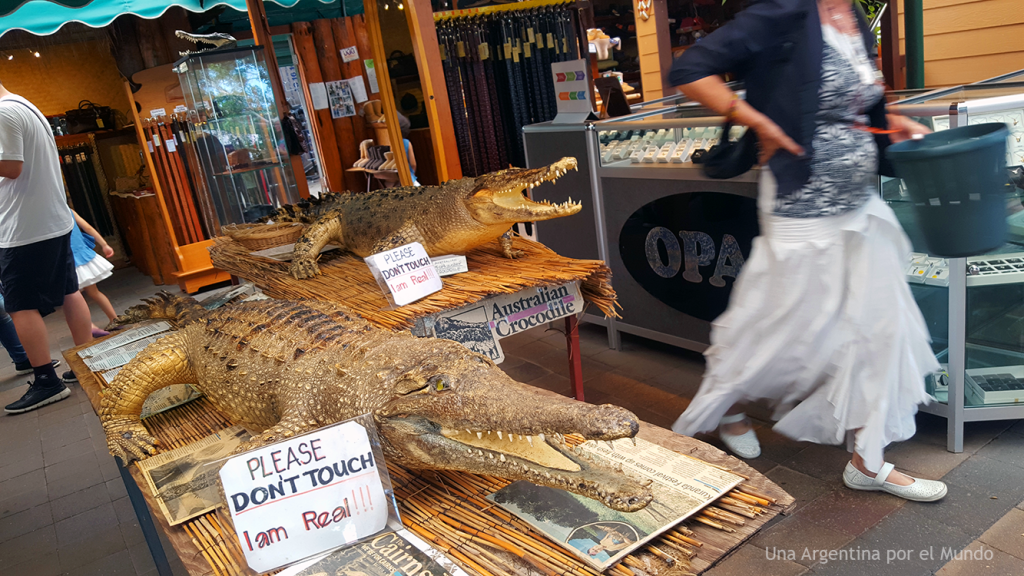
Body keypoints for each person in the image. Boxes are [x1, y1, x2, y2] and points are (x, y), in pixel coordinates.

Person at [668, 0, 947, 502]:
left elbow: (852, 102)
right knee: (778, 326)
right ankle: (726, 404)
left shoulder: (855, 18)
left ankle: (869, 459)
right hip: (800, 207)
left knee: (882, 324)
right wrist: (756, 120)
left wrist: (894, 120)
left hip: (861, 205)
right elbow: (689, 70)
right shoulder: (782, 14)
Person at [0, 81, 93, 414]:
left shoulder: (4, 112)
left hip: (25, 227)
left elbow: (11, 167)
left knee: (19, 305)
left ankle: (46, 381)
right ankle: (86, 362)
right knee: (69, 290)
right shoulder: (23, 104)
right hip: (49, 220)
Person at [68, 209, 117, 337]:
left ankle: (90, 326)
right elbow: (88, 228)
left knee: (73, 297)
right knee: (94, 292)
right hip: (83, 256)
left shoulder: (46, 215)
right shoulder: (70, 211)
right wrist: (104, 244)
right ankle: (115, 319)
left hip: (68, 261)